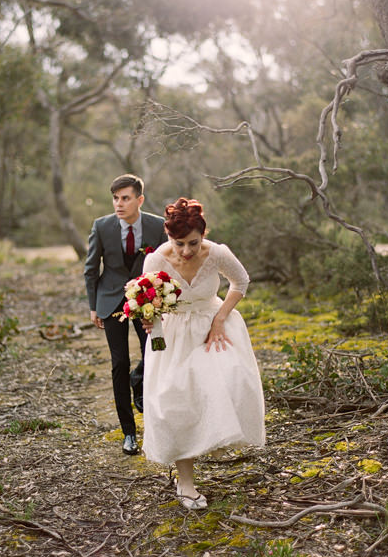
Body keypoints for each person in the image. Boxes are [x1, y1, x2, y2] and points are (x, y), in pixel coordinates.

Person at [141, 197, 265, 508]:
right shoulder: (157, 259)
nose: (185, 251)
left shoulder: (217, 253)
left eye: (192, 243)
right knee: (177, 400)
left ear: (203, 233)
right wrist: (148, 317)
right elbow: (147, 296)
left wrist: (220, 318)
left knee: (231, 380)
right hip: (174, 335)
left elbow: (241, 281)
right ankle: (185, 482)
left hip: (214, 329)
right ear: (169, 237)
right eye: (178, 243)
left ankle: (216, 437)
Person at [84, 174, 167, 455]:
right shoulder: (102, 226)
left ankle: (144, 392)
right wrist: (93, 305)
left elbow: (167, 263)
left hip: (146, 301)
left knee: (154, 357)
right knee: (119, 363)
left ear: (139, 200)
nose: (119, 204)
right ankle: (129, 433)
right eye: (116, 198)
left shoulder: (157, 226)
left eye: (125, 198)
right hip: (110, 301)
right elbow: (91, 268)